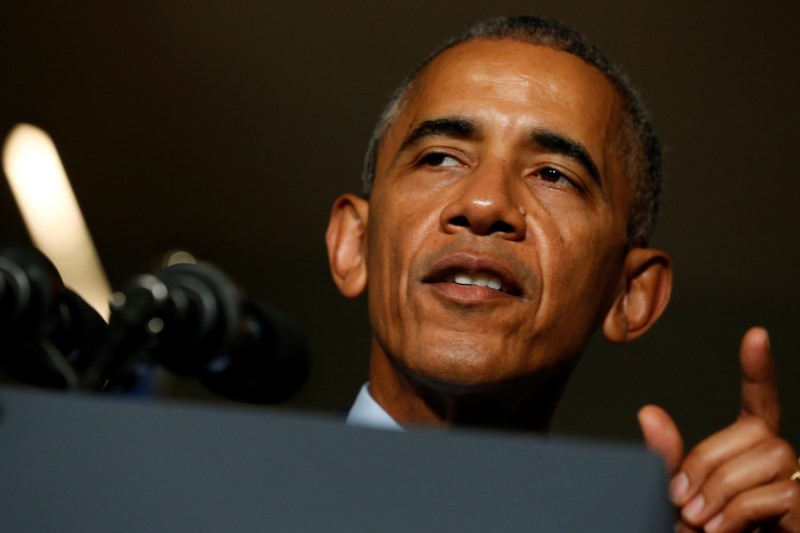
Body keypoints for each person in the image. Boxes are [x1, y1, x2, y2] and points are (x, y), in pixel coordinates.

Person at [324, 16, 799, 532]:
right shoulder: (225, 495)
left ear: (631, 295)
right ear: (354, 244)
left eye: (553, 175)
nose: (484, 203)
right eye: (440, 158)